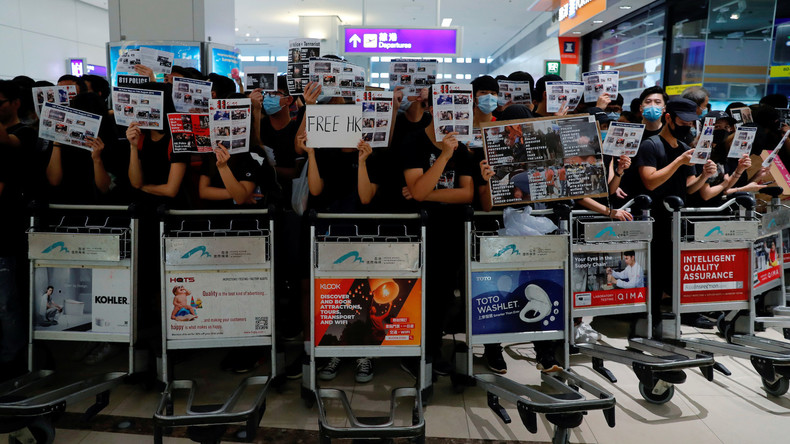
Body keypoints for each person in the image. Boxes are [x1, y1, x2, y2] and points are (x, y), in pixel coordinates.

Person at [632, 97, 719, 331]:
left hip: (676, 220)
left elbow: (689, 186)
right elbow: (650, 181)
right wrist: (679, 162)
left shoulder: (683, 148)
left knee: (675, 267)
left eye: (691, 123)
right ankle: (651, 318)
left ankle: (682, 313)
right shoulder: (651, 145)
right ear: (668, 118)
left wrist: (703, 176)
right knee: (655, 271)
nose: (688, 127)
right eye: (683, 122)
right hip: (653, 220)